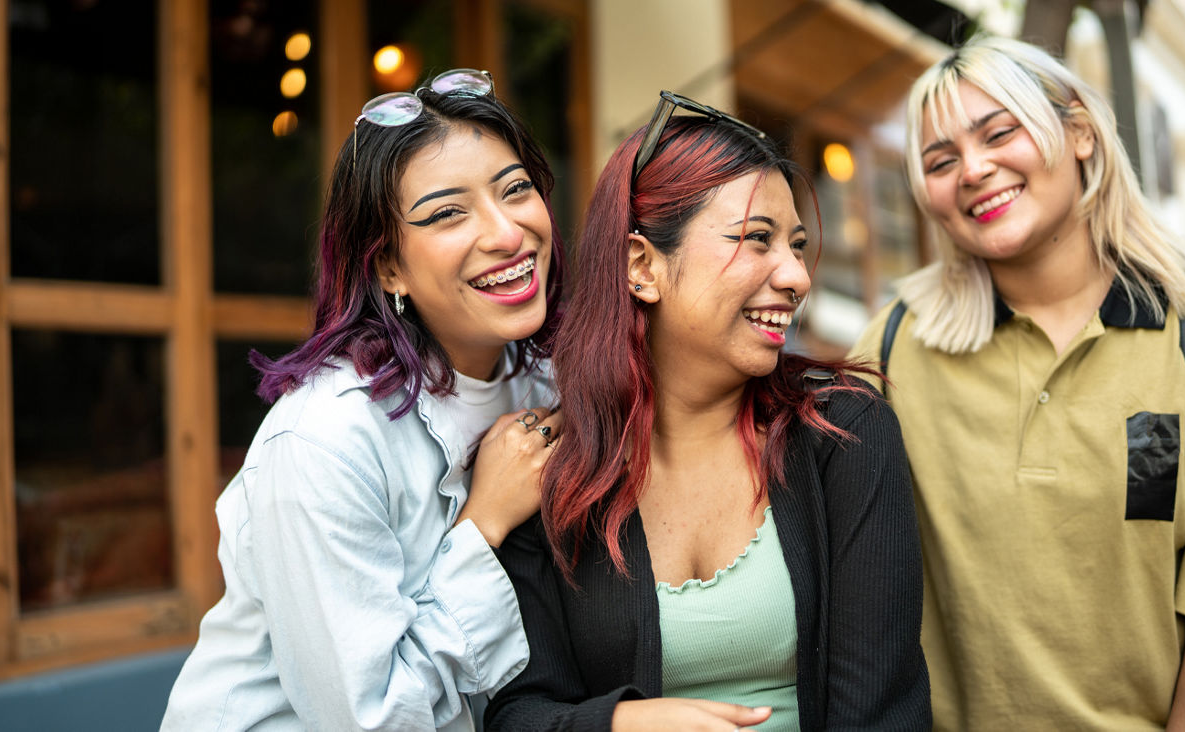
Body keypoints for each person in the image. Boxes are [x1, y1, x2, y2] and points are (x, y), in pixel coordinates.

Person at [848, 35, 1185, 730]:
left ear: (1077, 132)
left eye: (999, 133)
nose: (974, 170)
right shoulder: (893, 347)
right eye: (941, 161)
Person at [485, 91, 930, 732]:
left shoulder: (843, 433)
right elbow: (514, 714)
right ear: (643, 266)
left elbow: (883, 713)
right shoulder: (554, 472)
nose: (797, 276)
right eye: (756, 240)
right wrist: (620, 725)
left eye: (797, 245)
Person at [161, 68, 566, 731]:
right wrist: (484, 524)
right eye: (447, 213)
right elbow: (372, 720)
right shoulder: (324, 440)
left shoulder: (546, 383)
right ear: (388, 267)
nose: (505, 232)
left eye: (515, 189)